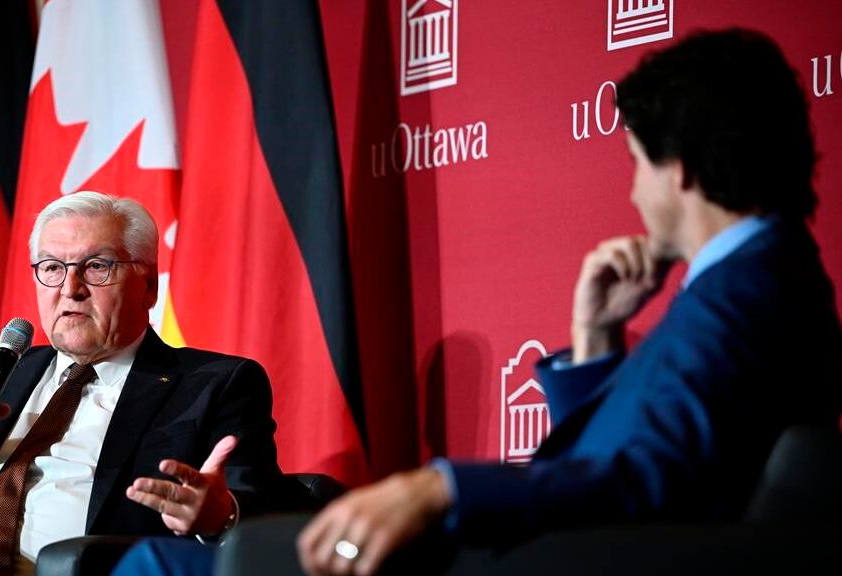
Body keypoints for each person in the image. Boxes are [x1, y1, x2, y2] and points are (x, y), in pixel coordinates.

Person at [295, 28, 842, 575]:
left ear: (680, 169)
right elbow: (627, 463)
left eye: (636, 162)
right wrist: (595, 338)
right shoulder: (760, 279)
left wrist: (443, 487)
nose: (633, 192)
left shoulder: (741, 295)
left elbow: (651, 482)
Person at [0, 191, 282, 575]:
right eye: (51, 267)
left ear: (148, 287)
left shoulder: (212, 384)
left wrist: (220, 517)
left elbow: (266, 515)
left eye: (97, 266)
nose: (70, 288)